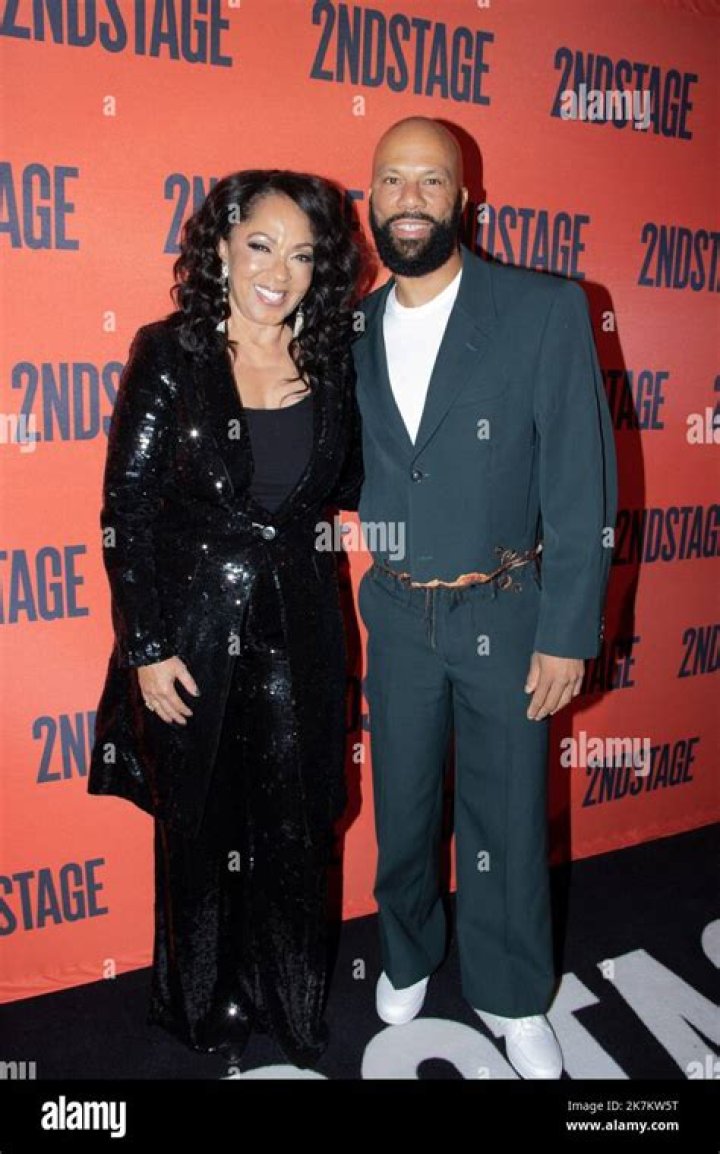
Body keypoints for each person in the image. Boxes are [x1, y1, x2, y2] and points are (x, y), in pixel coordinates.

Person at [353, 118, 617, 1079]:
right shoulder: (351, 327)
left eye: (431, 180)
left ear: (464, 199)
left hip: (505, 609)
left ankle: (512, 992)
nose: (409, 198)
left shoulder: (543, 308)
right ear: (371, 199)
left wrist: (567, 629)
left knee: (506, 815)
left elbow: (582, 481)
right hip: (396, 610)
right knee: (403, 806)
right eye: (392, 180)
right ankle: (408, 951)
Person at [88, 170, 363, 1068]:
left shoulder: (334, 365)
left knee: (295, 828)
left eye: (302, 256)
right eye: (260, 246)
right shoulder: (172, 353)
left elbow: (361, 481)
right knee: (200, 823)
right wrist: (147, 645)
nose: (279, 272)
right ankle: (203, 1003)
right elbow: (127, 507)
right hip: (196, 635)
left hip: (302, 630)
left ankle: (290, 1002)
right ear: (222, 249)